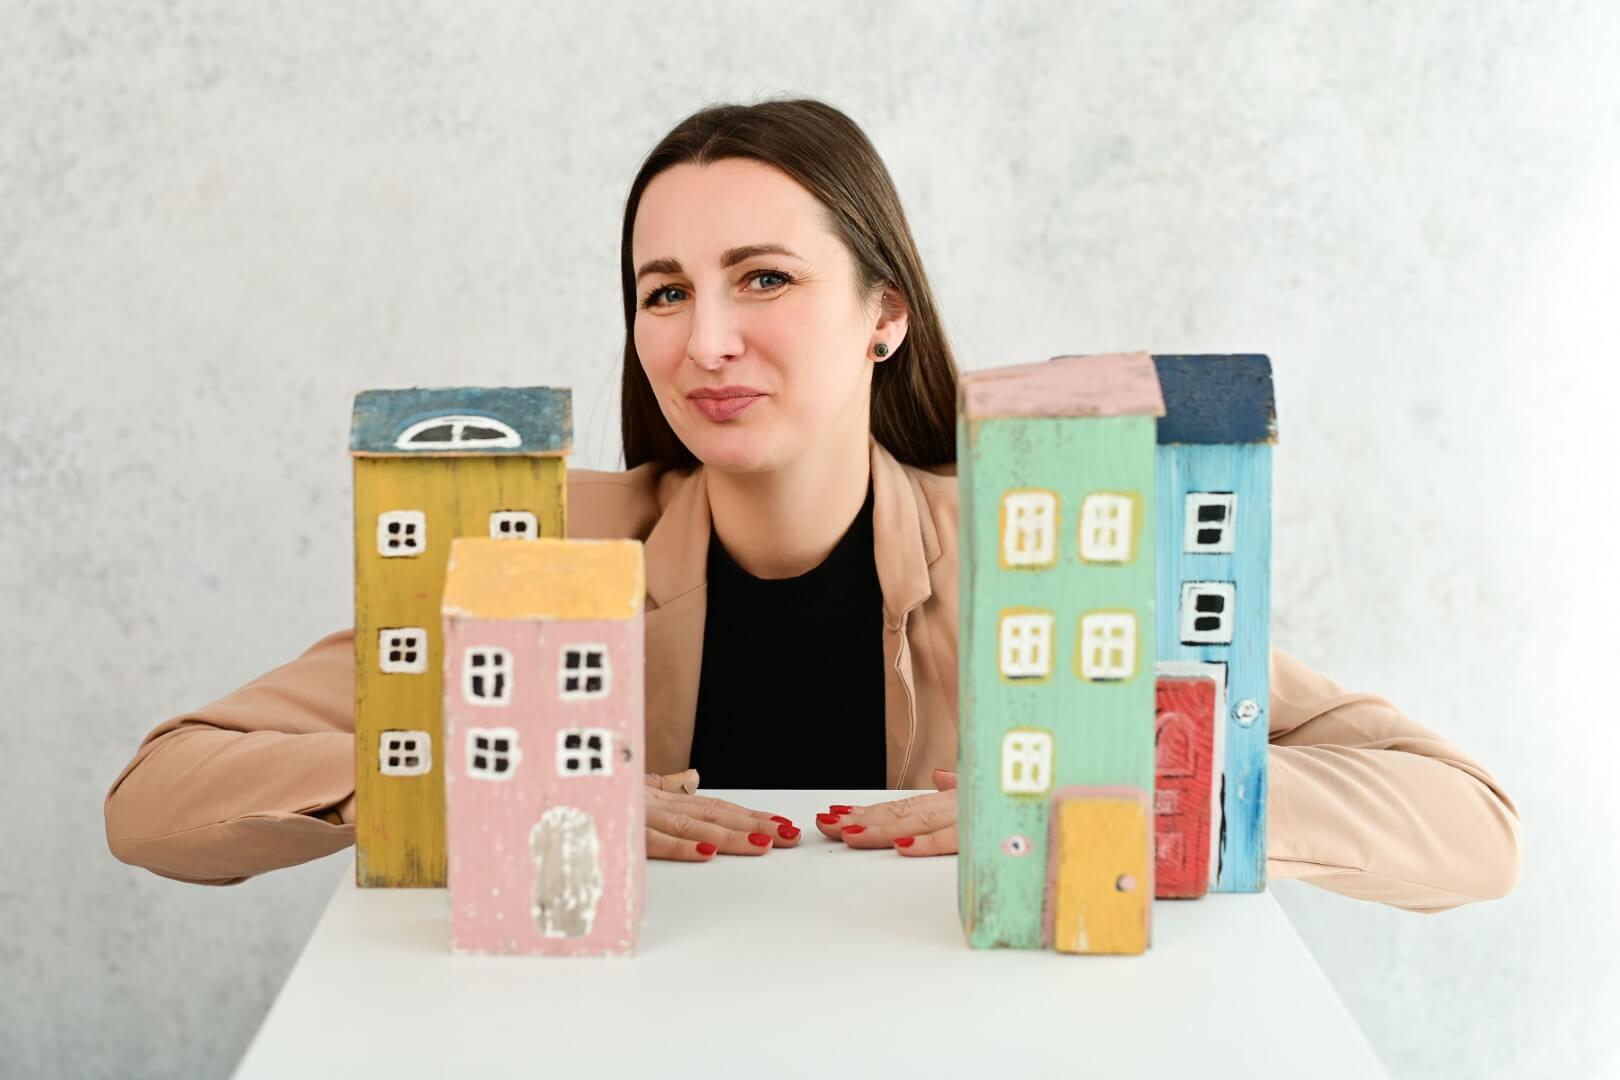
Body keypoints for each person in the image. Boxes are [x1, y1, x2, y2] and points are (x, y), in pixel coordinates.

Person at [104, 98, 1522, 911]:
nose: (705, 339)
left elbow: (1465, 822)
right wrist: (496, 780)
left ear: (885, 314)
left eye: (765, 278)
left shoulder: (1033, 544)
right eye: (666, 291)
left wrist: (1095, 790)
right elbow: (159, 797)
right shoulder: (550, 547)